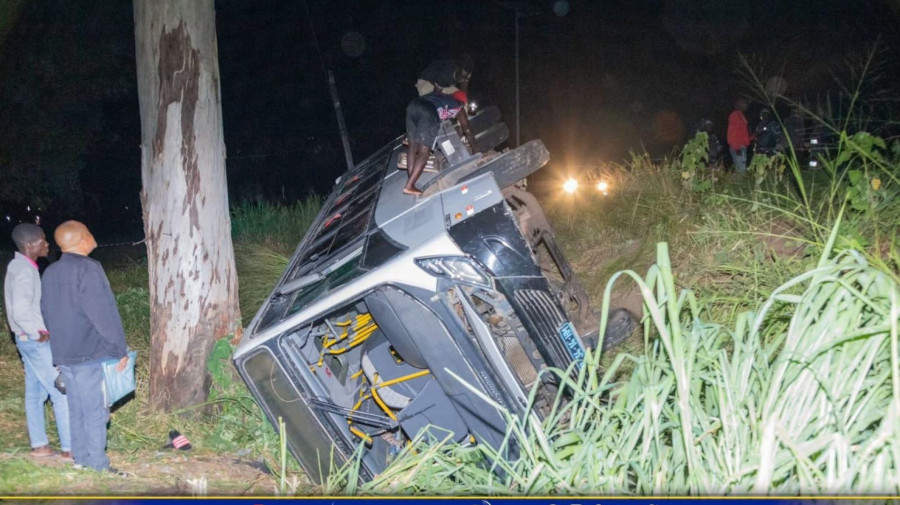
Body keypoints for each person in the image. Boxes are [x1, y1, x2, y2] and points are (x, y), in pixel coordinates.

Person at [41, 221, 128, 473]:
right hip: (89, 353)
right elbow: (103, 313)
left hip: (65, 353)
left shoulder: (50, 272)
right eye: (89, 233)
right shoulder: (89, 269)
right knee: (95, 411)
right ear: (81, 240)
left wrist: (57, 352)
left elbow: (47, 314)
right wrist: (118, 349)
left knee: (76, 408)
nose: (92, 236)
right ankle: (99, 465)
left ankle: (80, 459)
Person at [3, 224, 72, 461]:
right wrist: (36, 333)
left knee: (34, 393)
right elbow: (21, 310)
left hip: (24, 340)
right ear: (32, 244)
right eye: (44, 240)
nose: (47, 244)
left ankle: (40, 445)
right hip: (33, 341)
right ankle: (70, 448)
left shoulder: (19, 266)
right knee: (61, 390)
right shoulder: (24, 270)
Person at [727, 97, 753, 174]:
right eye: (744, 103)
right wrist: (736, 148)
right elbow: (732, 133)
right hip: (738, 147)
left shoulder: (741, 116)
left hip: (741, 146)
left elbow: (741, 135)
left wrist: (753, 136)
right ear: (738, 105)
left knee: (741, 169)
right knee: (741, 170)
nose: (747, 105)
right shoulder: (735, 115)